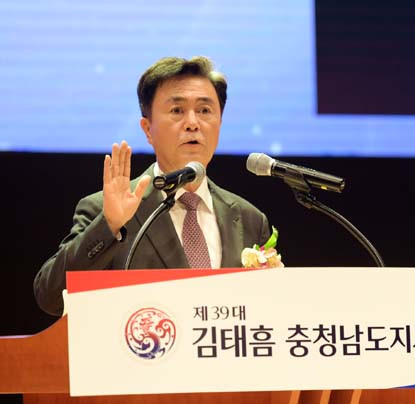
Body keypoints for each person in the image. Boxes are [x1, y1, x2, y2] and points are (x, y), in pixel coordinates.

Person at [33, 56, 273, 316]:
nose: (193, 123)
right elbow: (51, 297)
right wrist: (109, 225)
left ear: (220, 123)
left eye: (205, 111)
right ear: (148, 129)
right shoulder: (105, 210)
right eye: (177, 110)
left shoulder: (249, 219)